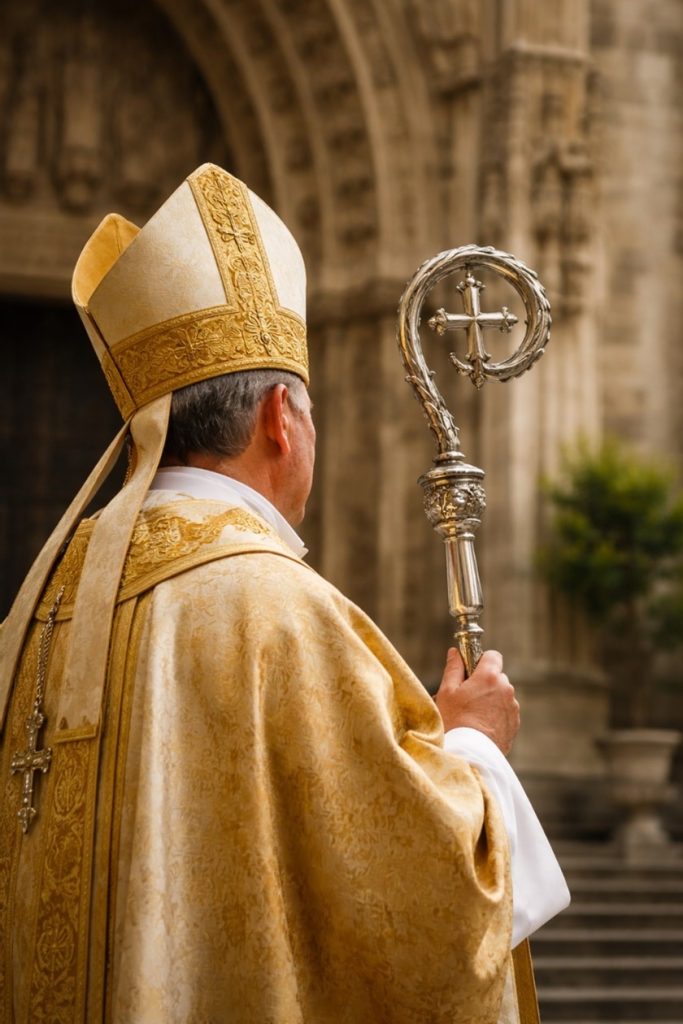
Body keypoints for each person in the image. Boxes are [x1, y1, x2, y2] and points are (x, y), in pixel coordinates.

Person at [0, 163, 568, 1024]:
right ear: (279, 419)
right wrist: (474, 745)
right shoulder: (275, 610)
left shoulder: (44, 604)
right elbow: (437, 897)